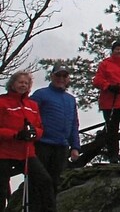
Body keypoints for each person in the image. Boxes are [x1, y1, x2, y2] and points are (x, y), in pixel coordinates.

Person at [0, 71, 56, 212]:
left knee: (44, 180)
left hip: (26, 151)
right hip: (4, 152)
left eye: (26, 83)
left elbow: (39, 127)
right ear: (12, 84)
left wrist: (34, 133)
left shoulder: (32, 105)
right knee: (1, 188)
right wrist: (16, 135)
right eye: (20, 82)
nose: (23, 85)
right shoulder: (2, 102)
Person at [30, 65, 80, 193]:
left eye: (64, 76)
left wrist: (75, 146)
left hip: (62, 147)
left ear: (68, 79)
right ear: (52, 76)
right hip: (42, 144)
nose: (61, 79)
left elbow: (74, 123)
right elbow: (28, 117)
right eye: (58, 75)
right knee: (38, 181)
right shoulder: (40, 94)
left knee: (56, 183)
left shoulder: (70, 99)